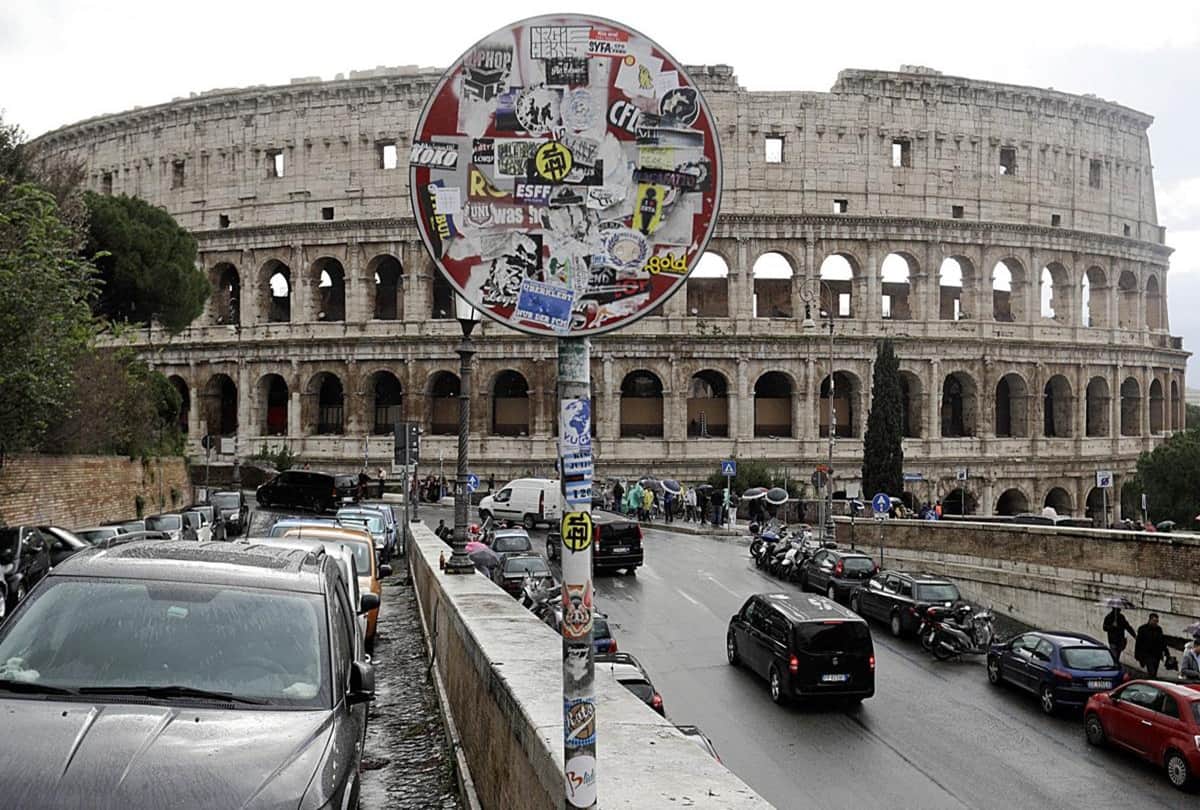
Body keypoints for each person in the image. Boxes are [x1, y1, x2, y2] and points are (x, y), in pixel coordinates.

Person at [1135, 613, 1167, 677]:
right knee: (1151, 672)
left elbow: (1162, 642)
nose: (1156, 623)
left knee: (1154, 672)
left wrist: (1166, 652)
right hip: (1147, 655)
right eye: (1154, 621)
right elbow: (1138, 643)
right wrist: (1138, 656)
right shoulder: (1142, 629)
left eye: (1157, 621)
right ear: (1150, 620)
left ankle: (1151, 681)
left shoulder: (1159, 629)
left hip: (1156, 655)